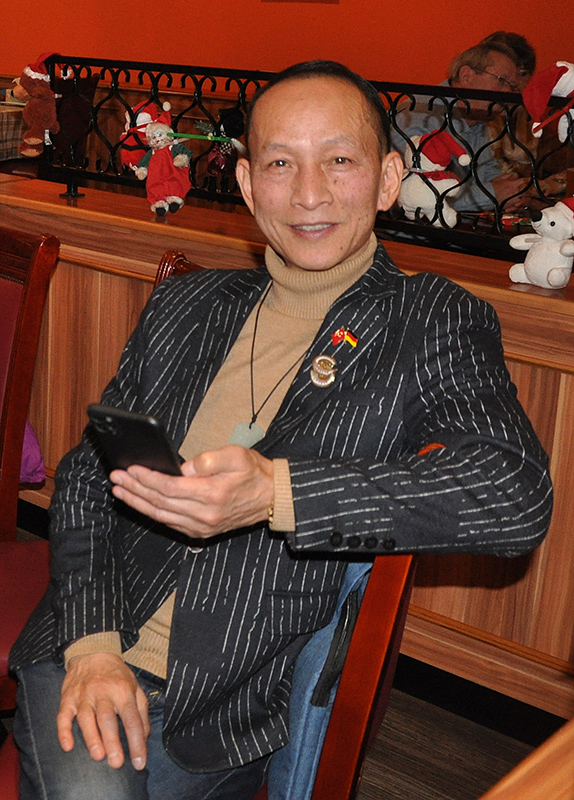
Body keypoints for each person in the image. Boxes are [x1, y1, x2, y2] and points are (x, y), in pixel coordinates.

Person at [10, 60, 553, 800]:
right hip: (89, 638)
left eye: (339, 160)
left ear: (388, 179)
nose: (308, 193)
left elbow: (513, 496)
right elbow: (83, 474)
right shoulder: (188, 305)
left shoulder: (430, 319)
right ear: (245, 183)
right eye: (279, 163)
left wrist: (276, 491)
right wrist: (95, 648)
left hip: (219, 707)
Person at [393, 40, 531, 212]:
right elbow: (415, 195)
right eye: (502, 81)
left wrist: (513, 190)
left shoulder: (476, 118)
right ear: (466, 76)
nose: (508, 93)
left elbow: (488, 172)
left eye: (513, 87)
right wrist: (492, 194)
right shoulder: (420, 116)